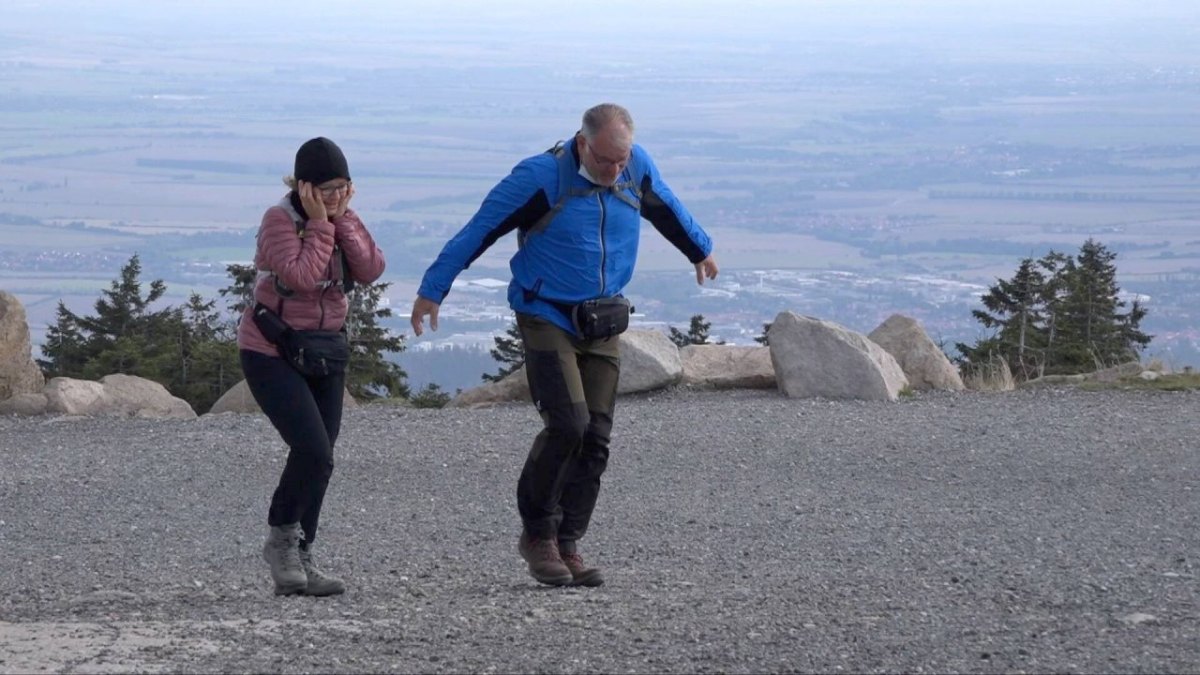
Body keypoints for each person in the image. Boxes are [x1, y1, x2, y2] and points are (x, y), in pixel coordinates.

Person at [410, 103, 718, 587]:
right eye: (605, 161)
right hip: (545, 313)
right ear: (582, 143)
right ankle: (538, 535)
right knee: (568, 425)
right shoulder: (541, 176)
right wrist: (434, 288)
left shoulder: (636, 165)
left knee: (596, 437)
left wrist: (699, 249)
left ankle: (569, 542)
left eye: (622, 160)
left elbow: (666, 207)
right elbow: (480, 229)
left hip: (602, 318)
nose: (616, 170)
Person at [237, 137, 386, 596]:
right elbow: (300, 277)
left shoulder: (342, 219)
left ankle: (304, 554)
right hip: (271, 350)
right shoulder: (278, 220)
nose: (335, 196)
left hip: (325, 350)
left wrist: (345, 222)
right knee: (313, 450)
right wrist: (321, 226)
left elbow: (371, 268)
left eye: (343, 187)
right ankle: (280, 541)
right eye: (326, 188)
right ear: (303, 187)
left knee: (322, 461)